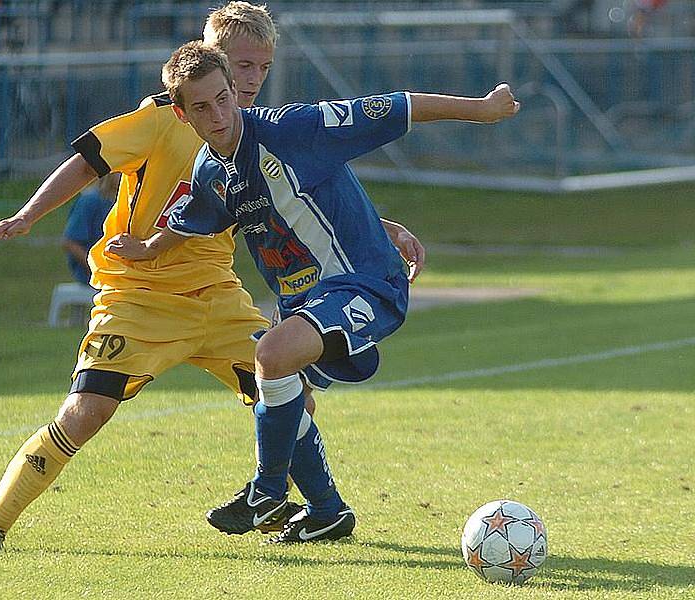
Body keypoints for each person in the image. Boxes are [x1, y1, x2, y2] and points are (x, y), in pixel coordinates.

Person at [0, 2, 425, 551]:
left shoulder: (254, 130)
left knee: (289, 389)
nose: (251, 79)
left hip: (216, 295)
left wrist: (381, 231)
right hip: (141, 295)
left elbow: (304, 202)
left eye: (261, 68)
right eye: (241, 65)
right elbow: (89, 160)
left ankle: (318, 509)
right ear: (211, 63)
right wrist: (26, 216)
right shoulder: (165, 117)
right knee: (89, 410)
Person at [107, 41, 519, 543]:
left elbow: (399, 105)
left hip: (366, 281)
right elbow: (192, 218)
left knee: (271, 353)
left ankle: (266, 493)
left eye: (223, 98)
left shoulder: (293, 128)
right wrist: (149, 249)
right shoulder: (211, 172)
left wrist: (482, 109)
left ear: (235, 92)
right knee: (288, 396)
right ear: (182, 113)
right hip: (305, 302)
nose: (217, 114)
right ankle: (327, 510)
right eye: (201, 107)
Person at [62, 175, 118, 287]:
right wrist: (95, 267)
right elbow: (70, 242)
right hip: (94, 274)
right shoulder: (91, 200)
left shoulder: (128, 201)